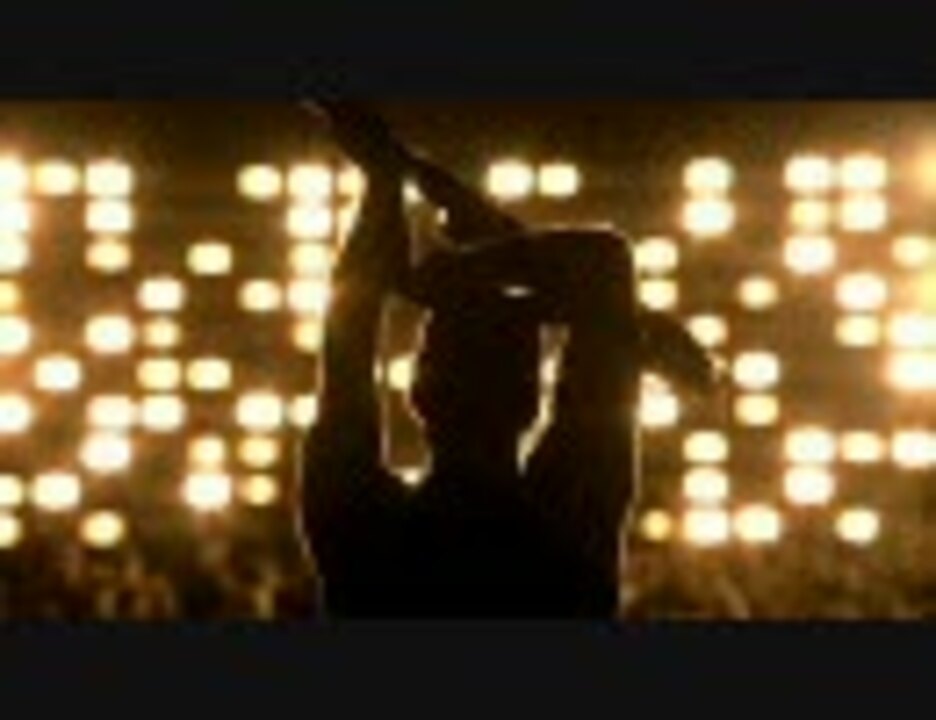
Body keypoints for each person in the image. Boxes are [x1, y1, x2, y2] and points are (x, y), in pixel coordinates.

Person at [299, 102, 716, 618]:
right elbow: (604, 262)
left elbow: (350, 317)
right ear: (531, 397)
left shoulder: (359, 527)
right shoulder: (573, 521)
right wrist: (462, 264)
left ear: (418, 391)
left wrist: (388, 177)